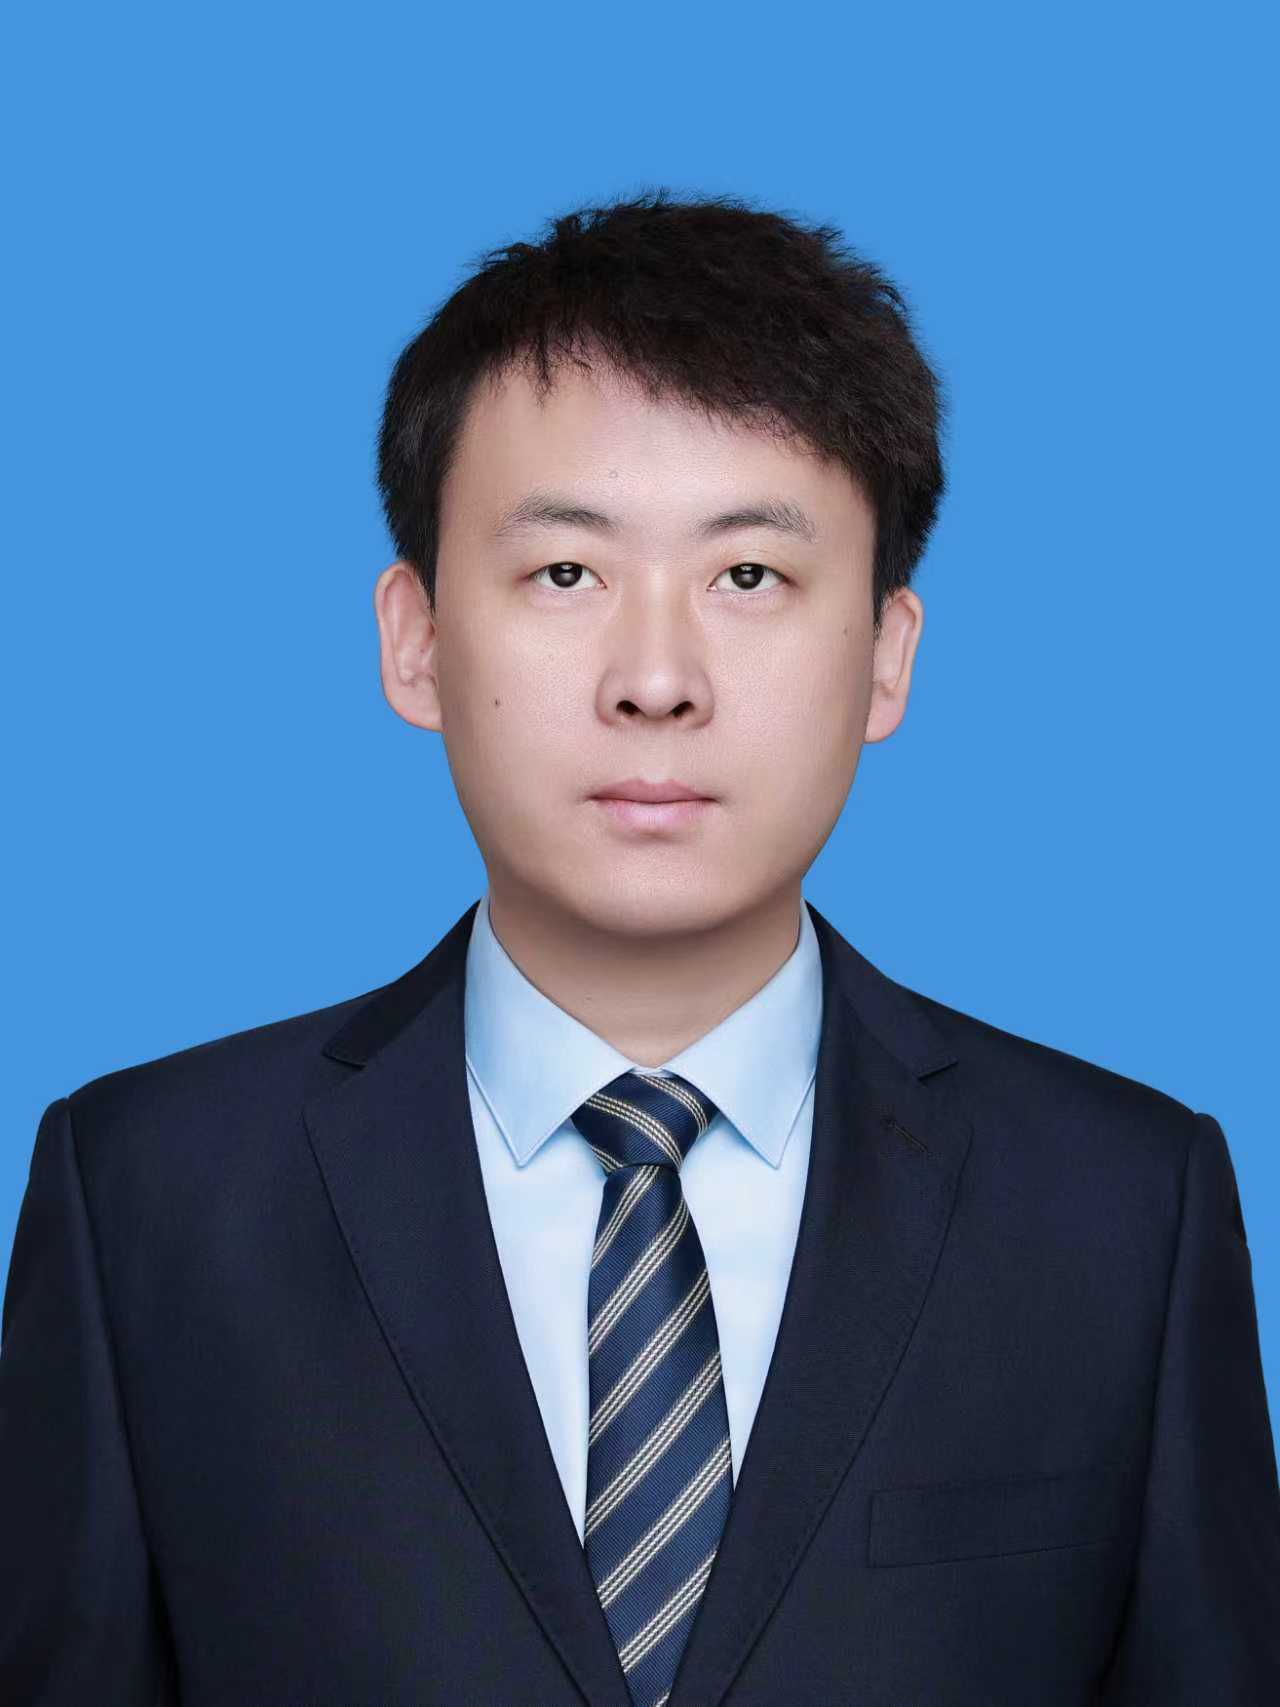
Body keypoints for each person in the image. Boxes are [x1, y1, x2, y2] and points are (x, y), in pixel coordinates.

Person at [1, 188, 1277, 1705]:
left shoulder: (1123, 1207)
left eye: (749, 577)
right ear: (416, 640)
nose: (657, 679)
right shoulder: (148, 1198)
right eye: (567, 573)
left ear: (886, 656)